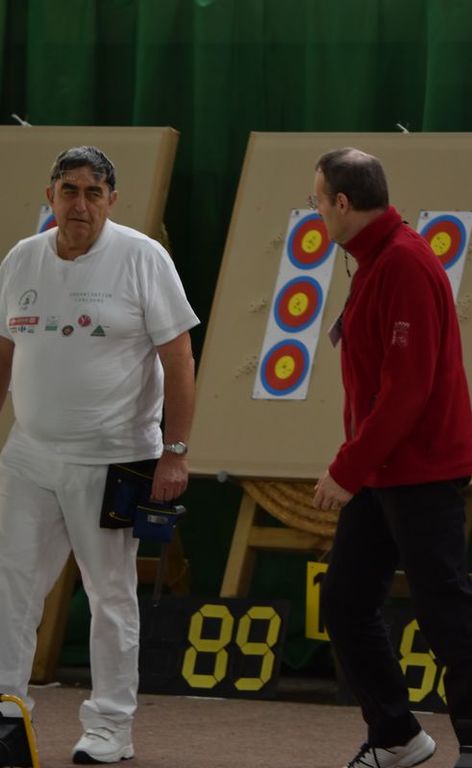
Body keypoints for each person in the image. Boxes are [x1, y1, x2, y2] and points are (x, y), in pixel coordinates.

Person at [0, 146, 199, 764]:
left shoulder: (143, 258)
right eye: (69, 190)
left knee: (110, 594)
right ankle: (6, 710)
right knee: (9, 585)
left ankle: (111, 724)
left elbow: (179, 359)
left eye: (93, 192)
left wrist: (175, 453)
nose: (80, 204)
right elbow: (4, 354)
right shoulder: (22, 258)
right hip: (28, 456)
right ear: (50, 195)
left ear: (112, 199)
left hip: (116, 459)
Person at [311, 148, 472, 768]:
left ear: (343, 203)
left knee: (444, 604)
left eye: (318, 202)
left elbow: (408, 390)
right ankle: (397, 735)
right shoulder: (374, 260)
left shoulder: (403, 263)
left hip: (421, 469)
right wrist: (360, 465)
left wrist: (346, 469)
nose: (317, 213)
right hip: (382, 470)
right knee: (345, 600)